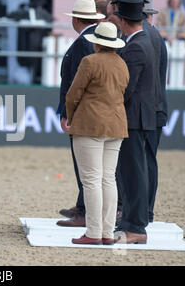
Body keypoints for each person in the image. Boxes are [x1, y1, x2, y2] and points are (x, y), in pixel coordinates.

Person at [65, 22, 128, 245]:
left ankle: (93, 232)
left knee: (91, 180)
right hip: (116, 125)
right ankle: (107, 232)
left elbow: (73, 95)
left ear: (97, 43)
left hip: (90, 124)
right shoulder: (121, 63)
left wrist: (71, 118)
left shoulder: (89, 61)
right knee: (108, 179)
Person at [56, 0, 104, 227]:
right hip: (88, 110)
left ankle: (85, 211)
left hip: (83, 112)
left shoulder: (85, 41)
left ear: (76, 19)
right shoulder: (88, 39)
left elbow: (77, 83)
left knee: (84, 164)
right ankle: (83, 206)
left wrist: (67, 112)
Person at [114, 0, 157, 244]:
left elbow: (126, 87)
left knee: (133, 173)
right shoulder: (140, 41)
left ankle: (136, 226)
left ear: (122, 21)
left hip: (133, 117)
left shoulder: (137, 46)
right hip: (136, 116)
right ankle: (132, 223)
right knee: (132, 172)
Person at [143, 0, 168, 223]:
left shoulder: (149, 37)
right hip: (155, 108)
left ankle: (146, 210)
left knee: (147, 160)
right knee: (148, 159)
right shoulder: (155, 37)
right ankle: (146, 210)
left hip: (151, 108)